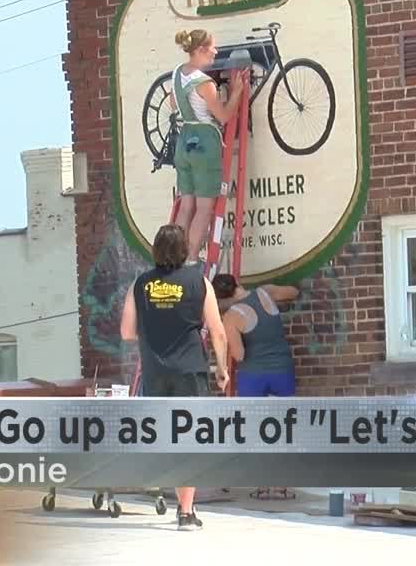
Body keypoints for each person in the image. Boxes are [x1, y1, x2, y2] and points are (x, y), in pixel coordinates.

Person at [120, 224, 230, 531]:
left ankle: (167, 492)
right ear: (184, 251)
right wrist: (220, 369)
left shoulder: (139, 285)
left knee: (164, 437)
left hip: (155, 373)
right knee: (190, 438)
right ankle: (185, 512)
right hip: (190, 372)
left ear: (155, 250)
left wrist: (154, 325)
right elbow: (218, 331)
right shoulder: (199, 282)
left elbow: (127, 332)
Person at [169, 28, 246, 265]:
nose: (216, 51)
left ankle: (176, 258)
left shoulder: (177, 74)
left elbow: (173, 105)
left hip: (185, 140)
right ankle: (191, 257)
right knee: (204, 208)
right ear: (201, 49)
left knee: (186, 205)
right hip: (205, 140)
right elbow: (222, 116)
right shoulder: (205, 83)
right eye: (213, 47)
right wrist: (236, 93)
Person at [212, 274, 299, 397]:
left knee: (252, 415)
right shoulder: (266, 292)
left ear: (221, 298)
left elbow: (239, 355)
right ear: (236, 282)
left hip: (253, 375)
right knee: (286, 414)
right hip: (283, 369)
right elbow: (294, 292)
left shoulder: (231, 316)